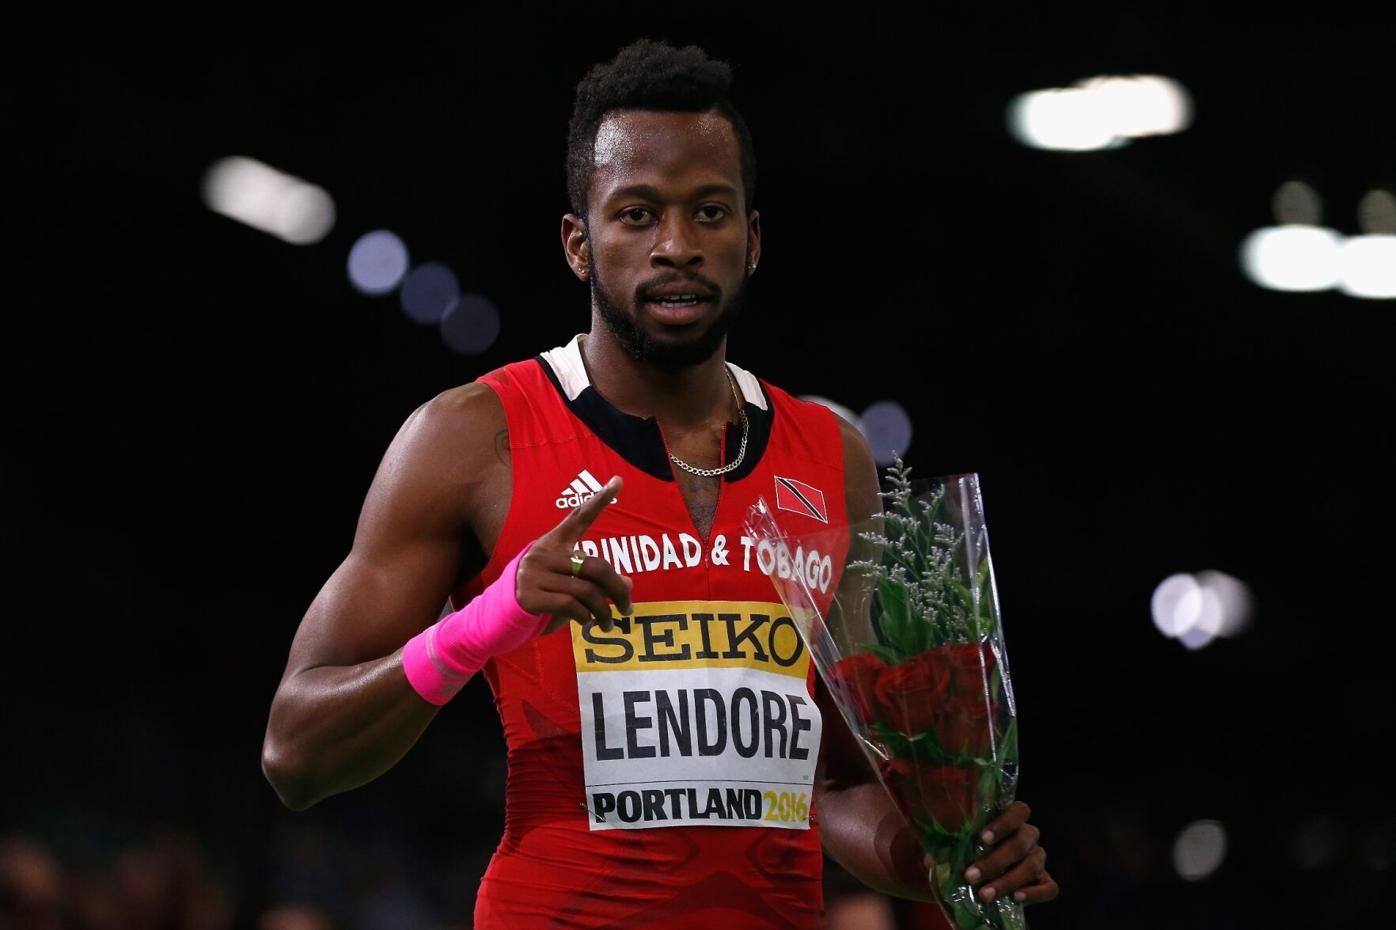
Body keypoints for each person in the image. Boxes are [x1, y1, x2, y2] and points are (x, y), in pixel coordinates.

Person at [261, 38, 1057, 929]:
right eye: (636, 214)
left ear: (752, 240)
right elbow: (295, 752)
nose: (675, 246)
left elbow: (834, 783)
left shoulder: (832, 456)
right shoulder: (472, 439)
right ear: (577, 242)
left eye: (709, 212)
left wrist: (943, 855)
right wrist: (484, 623)